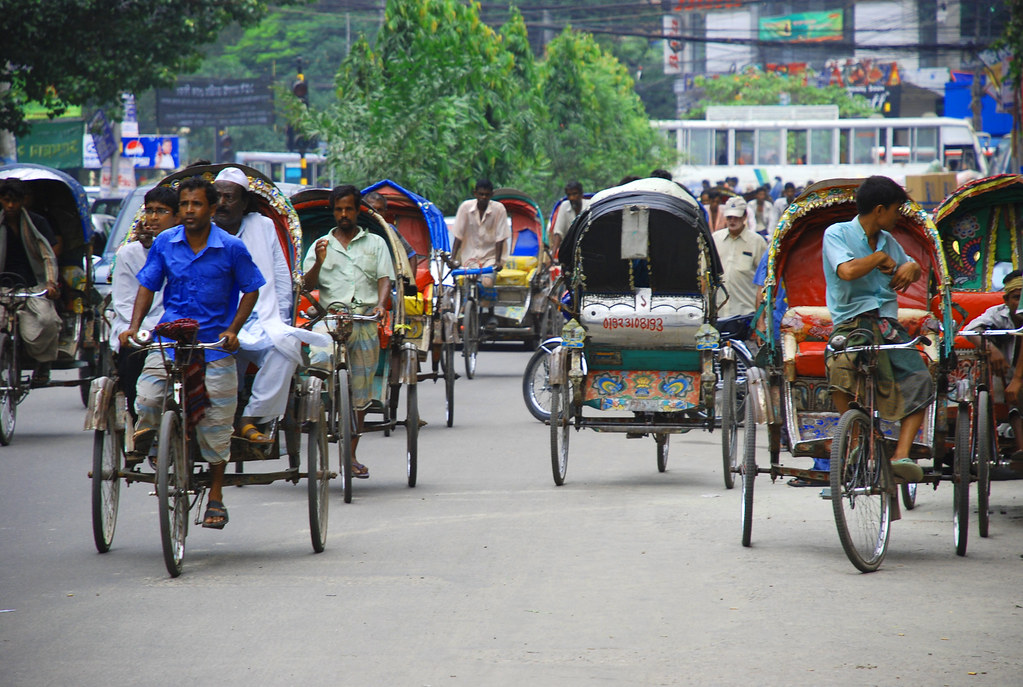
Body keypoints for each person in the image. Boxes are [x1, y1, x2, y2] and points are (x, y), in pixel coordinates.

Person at [119, 176, 264, 529]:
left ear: (211, 209)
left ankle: (215, 495)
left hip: (213, 346)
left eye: (196, 204)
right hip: (170, 339)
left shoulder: (231, 248)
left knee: (217, 425)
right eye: (183, 204)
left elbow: (251, 290)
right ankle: (153, 441)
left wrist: (233, 330)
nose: (188, 211)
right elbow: (148, 286)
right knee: (149, 398)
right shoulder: (166, 243)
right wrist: (135, 326)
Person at [822, 175, 930, 483]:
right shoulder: (837, 234)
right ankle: (854, 438)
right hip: (851, 322)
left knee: (921, 376)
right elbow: (846, 271)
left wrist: (912, 267)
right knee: (841, 367)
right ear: (880, 210)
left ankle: (902, 455)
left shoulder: (888, 241)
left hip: (886, 323)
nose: (898, 217)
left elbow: (909, 265)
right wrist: (880, 258)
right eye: (896, 210)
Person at [212, 166, 328, 444]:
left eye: (230, 198)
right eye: (217, 197)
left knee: (286, 350)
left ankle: (250, 419)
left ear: (244, 203)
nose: (222, 204)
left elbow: (280, 277)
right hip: (216, 321)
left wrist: (282, 321)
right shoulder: (201, 230)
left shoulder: (262, 226)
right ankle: (215, 422)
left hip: (260, 318)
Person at [303, 185, 395, 479]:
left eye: (349, 209)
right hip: (332, 318)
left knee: (361, 393)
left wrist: (381, 306)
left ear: (357, 211)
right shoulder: (321, 243)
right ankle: (317, 405)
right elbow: (306, 286)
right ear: (334, 211)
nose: (344, 214)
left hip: (364, 319)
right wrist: (318, 260)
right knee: (318, 357)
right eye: (339, 209)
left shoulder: (376, 243)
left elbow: (384, 280)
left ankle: (351, 454)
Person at [110, 186, 179, 422]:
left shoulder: (185, 250)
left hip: (176, 327)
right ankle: (137, 421)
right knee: (132, 360)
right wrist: (143, 330)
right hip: (141, 329)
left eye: (162, 211)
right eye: (150, 211)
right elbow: (124, 303)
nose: (153, 217)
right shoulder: (129, 253)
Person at [0, 178, 62, 386]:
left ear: (22, 201)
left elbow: (48, 256)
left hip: (33, 286)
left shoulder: (37, 223)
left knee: (47, 321)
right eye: (6, 200)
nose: (10, 206)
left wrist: (51, 283)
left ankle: (43, 362)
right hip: (3, 287)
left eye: (15, 201)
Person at [969, 271, 1023, 457]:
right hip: (1007, 376)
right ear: (1006, 300)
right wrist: (991, 349)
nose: (1020, 303)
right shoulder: (999, 314)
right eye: (1017, 297)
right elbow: (972, 330)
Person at [451, 178, 509, 328]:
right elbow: (458, 235)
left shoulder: (499, 209)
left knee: (487, 282)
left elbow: (500, 237)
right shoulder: (465, 208)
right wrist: (452, 258)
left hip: (491, 256)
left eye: (487, 195)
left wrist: (497, 262)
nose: (483, 197)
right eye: (481, 194)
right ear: (475, 193)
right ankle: (466, 310)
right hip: (469, 256)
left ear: (491, 195)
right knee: (464, 282)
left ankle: (490, 314)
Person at [712, 196, 766, 320]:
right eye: (729, 217)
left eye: (736, 217)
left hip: (746, 314)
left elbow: (764, 283)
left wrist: (760, 320)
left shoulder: (757, 242)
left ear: (744, 216)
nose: (732, 221)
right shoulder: (716, 239)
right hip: (718, 313)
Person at [364, 191, 418, 276]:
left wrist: (411, 284)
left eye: (380, 210)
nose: (376, 213)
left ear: (385, 212)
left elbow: (411, 255)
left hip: (390, 283)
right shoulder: (357, 230)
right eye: (372, 209)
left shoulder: (390, 230)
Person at [550, 180, 590, 260]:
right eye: (569, 195)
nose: (572, 198)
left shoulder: (589, 206)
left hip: (587, 248)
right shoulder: (564, 206)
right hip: (569, 249)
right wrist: (552, 254)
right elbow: (558, 232)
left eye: (575, 194)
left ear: (581, 194)